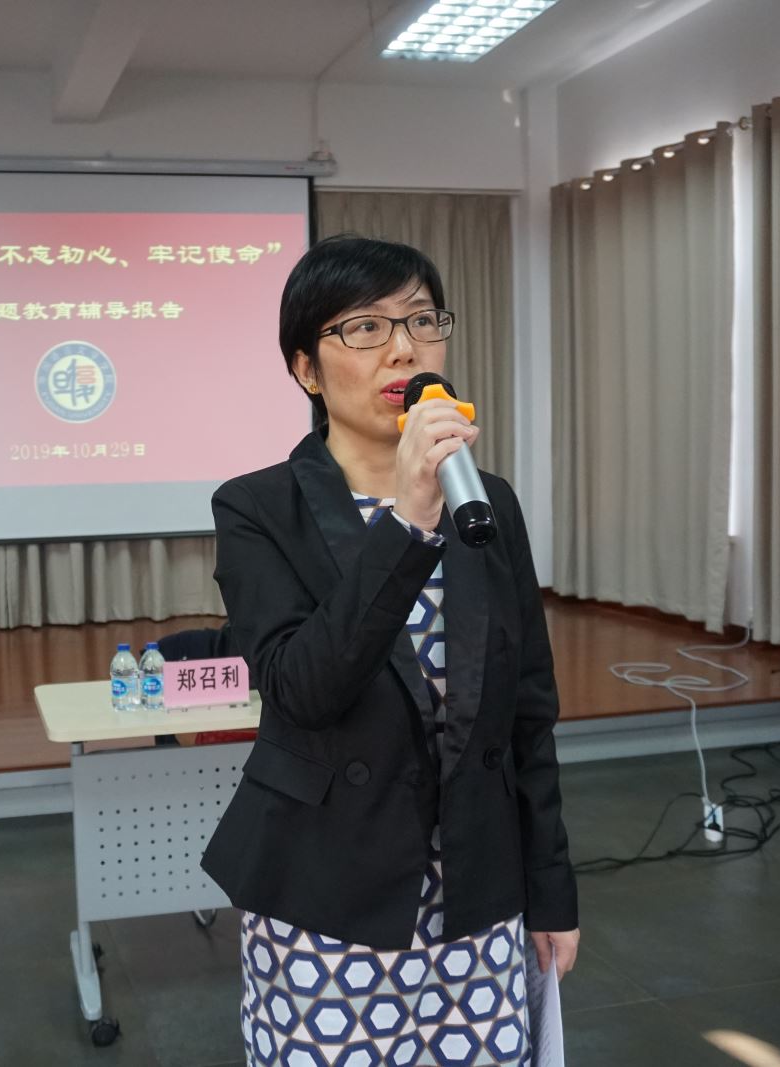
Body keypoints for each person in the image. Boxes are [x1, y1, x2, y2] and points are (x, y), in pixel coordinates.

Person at [200, 235, 578, 1066]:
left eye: (421, 320)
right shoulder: (257, 508)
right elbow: (303, 688)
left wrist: (551, 890)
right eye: (365, 327)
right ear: (306, 368)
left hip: (475, 893)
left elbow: (528, 712)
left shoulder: (487, 502)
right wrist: (408, 521)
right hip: (328, 897)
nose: (404, 348)